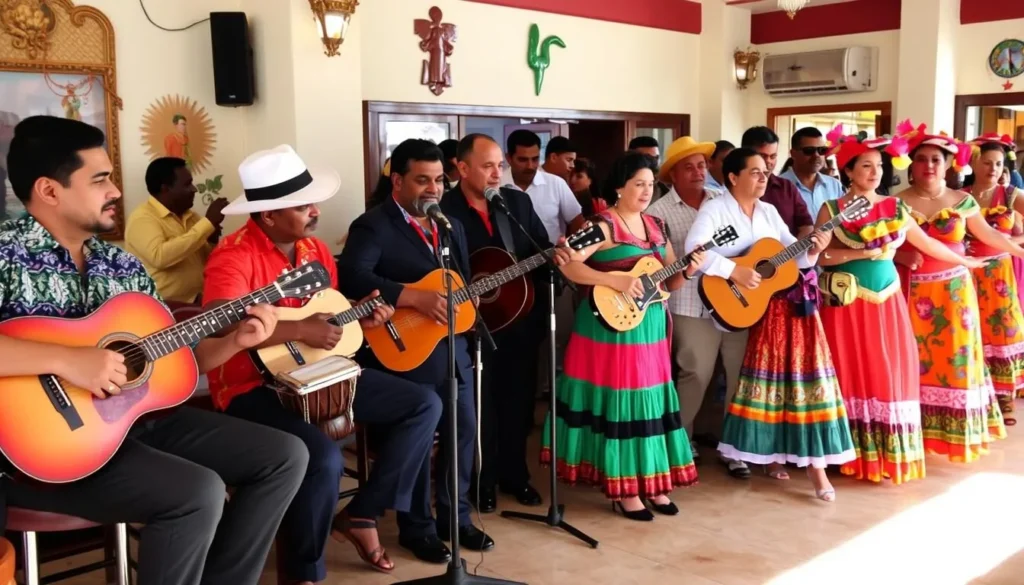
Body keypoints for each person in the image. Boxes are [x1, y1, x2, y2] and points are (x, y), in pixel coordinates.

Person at [0, 115, 307, 585]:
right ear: (49, 190)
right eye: (100, 179)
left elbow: (170, 363)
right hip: (39, 451)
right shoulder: (5, 256)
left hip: (131, 422)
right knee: (197, 492)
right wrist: (66, 360)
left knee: (286, 455)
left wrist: (233, 342)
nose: (116, 191)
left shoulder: (120, 263)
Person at [201, 145, 443, 580]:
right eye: (302, 205)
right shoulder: (233, 256)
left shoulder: (313, 249)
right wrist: (298, 331)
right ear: (269, 215)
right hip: (252, 388)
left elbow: (325, 317)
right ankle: (304, 572)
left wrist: (360, 316)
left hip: (319, 373)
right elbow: (218, 327)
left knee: (424, 404)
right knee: (323, 458)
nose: (315, 211)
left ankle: (362, 514)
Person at [338, 139, 495, 562]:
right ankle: (416, 527)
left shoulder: (449, 225)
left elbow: (457, 277)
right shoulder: (373, 225)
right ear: (397, 180)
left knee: (464, 431)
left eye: (439, 179)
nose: (433, 188)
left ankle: (455, 519)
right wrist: (410, 296)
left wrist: (468, 297)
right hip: (404, 347)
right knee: (428, 432)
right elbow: (351, 277)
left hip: (451, 345)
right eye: (422, 179)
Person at [687, 148, 854, 502]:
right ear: (733, 177)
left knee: (745, 381)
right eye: (755, 172)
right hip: (722, 299)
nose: (764, 178)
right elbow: (694, 249)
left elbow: (794, 257)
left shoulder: (770, 211)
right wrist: (734, 270)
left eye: (766, 172)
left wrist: (813, 248)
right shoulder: (715, 208)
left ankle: (750, 454)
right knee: (703, 374)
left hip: (766, 309)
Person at [542, 151, 700, 521]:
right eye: (638, 184)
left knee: (651, 401)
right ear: (619, 187)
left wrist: (689, 270)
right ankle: (625, 487)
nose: (645, 192)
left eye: (650, 185)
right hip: (608, 329)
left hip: (649, 327)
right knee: (621, 401)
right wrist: (614, 279)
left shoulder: (657, 226)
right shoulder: (603, 225)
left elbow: (668, 280)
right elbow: (571, 267)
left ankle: (653, 483)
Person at [817, 132, 981, 485]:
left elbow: (928, 245)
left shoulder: (894, 208)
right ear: (848, 171)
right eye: (866, 166)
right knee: (848, 367)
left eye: (879, 166)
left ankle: (885, 452)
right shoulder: (831, 210)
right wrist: (862, 253)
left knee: (887, 366)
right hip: (845, 302)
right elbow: (820, 255)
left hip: (886, 300)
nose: (874, 172)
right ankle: (846, 452)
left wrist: (966, 262)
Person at [440, 133, 574, 512]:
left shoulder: (515, 202)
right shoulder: (445, 210)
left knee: (518, 404)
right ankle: (482, 480)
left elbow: (538, 248)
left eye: (499, 165)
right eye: (487, 166)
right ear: (462, 168)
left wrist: (555, 256)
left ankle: (516, 476)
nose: (497, 173)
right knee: (481, 408)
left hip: (518, 321)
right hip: (469, 327)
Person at [893, 122, 1016, 462]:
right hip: (912, 293)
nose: (929, 165)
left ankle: (955, 434)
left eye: (936, 159)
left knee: (957, 360)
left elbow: (991, 237)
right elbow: (881, 246)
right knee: (915, 360)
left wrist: (1021, 251)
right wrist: (903, 253)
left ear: (947, 164)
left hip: (956, 293)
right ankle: (915, 431)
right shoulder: (896, 203)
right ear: (911, 164)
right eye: (921, 159)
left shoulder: (962, 201)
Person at [647, 136, 750, 478]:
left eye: (701, 165)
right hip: (688, 305)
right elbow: (655, 265)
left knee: (739, 375)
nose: (697, 172)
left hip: (735, 301)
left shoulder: (725, 200)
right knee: (695, 373)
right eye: (687, 167)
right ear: (671, 175)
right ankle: (677, 441)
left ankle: (734, 447)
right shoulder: (657, 214)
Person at [962, 136, 1024, 426]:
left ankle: (1005, 397)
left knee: (1002, 328)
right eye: (987, 162)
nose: (993, 169)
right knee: (974, 328)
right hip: (967, 271)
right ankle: (979, 392)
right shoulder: (961, 195)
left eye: (998, 164)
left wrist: (1011, 242)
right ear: (973, 163)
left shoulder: (1011, 195)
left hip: (999, 272)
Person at [124, 157, 229, 304]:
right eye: (187, 184)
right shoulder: (142, 218)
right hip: (163, 308)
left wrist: (211, 239)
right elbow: (160, 257)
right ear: (165, 188)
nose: (194, 189)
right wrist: (208, 223)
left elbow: (205, 261)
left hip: (199, 302)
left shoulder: (191, 216)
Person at [741, 126, 814, 238]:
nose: (768, 161)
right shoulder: (731, 190)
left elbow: (806, 226)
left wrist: (794, 253)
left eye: (773, 156)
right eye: (762, 156)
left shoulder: (787, 188)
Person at [779, 127, 844, 218]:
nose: (816, 155)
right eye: (809, 150)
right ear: (793, 154)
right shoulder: (778, 186)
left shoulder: (834, 185)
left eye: (822, 150)